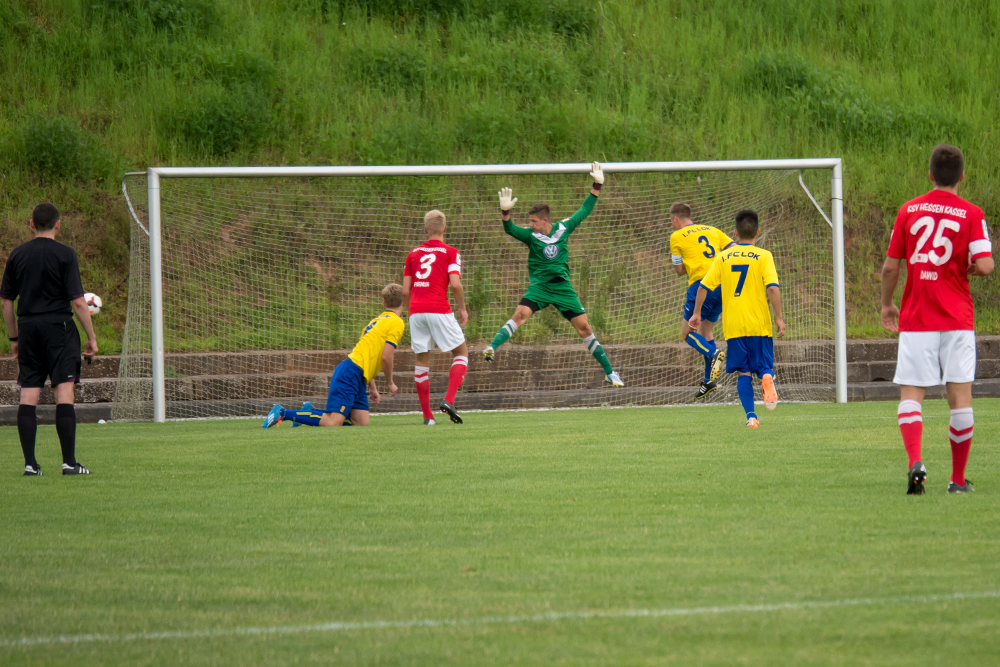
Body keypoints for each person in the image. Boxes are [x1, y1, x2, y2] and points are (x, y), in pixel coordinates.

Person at [880, 144, 993, 495]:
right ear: (962, 176)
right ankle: (957, 481)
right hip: (957, 318)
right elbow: (987, 265)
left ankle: (916, 459)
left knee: (911, 394)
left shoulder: (909, 210)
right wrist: (972, 268)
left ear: (930, 174)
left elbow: (890, 267)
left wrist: (887, 305)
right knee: (960, 398)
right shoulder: (972, 213)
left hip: (917, 316)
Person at [484, 162, 624, 388]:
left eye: (533, 221)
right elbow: (510, 229)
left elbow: (584, 210)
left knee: (585, 328)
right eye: (529, 221)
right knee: (520, 314)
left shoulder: (563, 228)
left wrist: (597, 185)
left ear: (545, 220)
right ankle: (492, 347)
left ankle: (610, 372)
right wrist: (505, 213)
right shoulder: (530, 236)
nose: (529, 225)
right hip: (540, 287)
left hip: (562, 288)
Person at [1, 203, 98, 476]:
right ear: (58, 224)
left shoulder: (17, 254)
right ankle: (69, 463)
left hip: (29, 329)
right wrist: (91, 337)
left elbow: (6, 301)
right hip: (60, 328)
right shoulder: (66, 254)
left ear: (31, 224)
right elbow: (78, 302)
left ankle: (30, 465)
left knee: (28, 393)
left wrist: (14, 338)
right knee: (64, 392)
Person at [690, 209, 784, 428]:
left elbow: (703, 287)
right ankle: (767, 377)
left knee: (743, 372)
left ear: (735, 233)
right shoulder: (764, 256)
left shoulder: (722, 257)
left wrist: (696, 313)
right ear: (758, 232)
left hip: (734, 326)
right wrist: (779, 317)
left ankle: (751, 417)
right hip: (759, 325)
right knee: (764, 366)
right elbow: (772, 288)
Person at [262, 284, 404, 428]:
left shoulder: (376, 321)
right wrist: (390, 383)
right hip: (351, 373)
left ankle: (309, 412)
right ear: (404, 302)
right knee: (333, 422)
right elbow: (386, 357)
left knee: (361, 424)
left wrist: (372, 387)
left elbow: (366, 356)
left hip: (358, 374)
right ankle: (283, 413)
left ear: (384, 303)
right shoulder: (397, 322)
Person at [402, 210, 468, 426]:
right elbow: (456, 284)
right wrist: (462, 309)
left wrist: (409, 309)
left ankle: (428, 417)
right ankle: (449, 400)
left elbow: (405, 291)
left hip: (415, 311)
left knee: (422, 360)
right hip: (438, 307)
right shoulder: (451, 252)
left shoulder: (412, 254)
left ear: (425, 230)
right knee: (461, 352)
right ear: (445, 229)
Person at [668, 202, 733, 399]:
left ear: (675, 219)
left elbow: (679, 271)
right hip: (722, 285)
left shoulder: (677, 236)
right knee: (706, 331)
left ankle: (714, 354)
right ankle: (709, 381)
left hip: (701, 286)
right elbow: (734, 247)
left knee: (687, 333)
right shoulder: (713, 231)